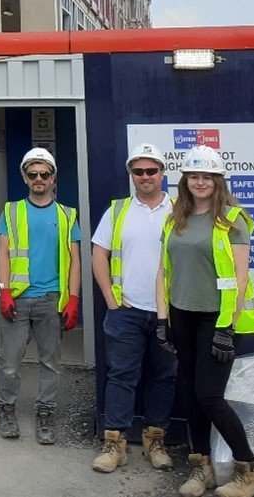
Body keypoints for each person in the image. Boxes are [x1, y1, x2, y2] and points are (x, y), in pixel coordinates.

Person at [156, 145, 254, 497]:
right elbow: (164, 271)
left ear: (218, 181)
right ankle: (201, 468)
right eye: (193, 176)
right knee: (191, 392)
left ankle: (250, 471)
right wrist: (163, 319)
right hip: (182, 315)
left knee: (209, 395)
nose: (200, 182)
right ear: (184, 180)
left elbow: (240, 276)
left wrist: (225, 328)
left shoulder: (233, 219)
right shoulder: (175, 218)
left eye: (207, 176)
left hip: (217, 320)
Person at [90, 143, 176, 472]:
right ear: (131, 174)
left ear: (161, 173)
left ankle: (155, 440)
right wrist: (111, 301)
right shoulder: (118, 210)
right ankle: (115, 445)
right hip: (126, 311)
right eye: (138, 171)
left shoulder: (179, 209)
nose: (144, 177)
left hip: (168, 312)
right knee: (121, 377)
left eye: (150, 170)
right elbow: (99, 254)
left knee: (163, 377)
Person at [0, 147, 81, 445]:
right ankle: (6, 409)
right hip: (18, 299)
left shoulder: (67, 215)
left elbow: (75, 259)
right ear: (25, 177)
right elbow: (3, 253)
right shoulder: (11, 210)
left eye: (44, 174)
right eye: (32, 174)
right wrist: (4, 291)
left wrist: (73, 298)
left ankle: (46, 412)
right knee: (9, 362)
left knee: (50, 363)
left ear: (53, 177)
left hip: (50, 300)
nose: (38, 179)